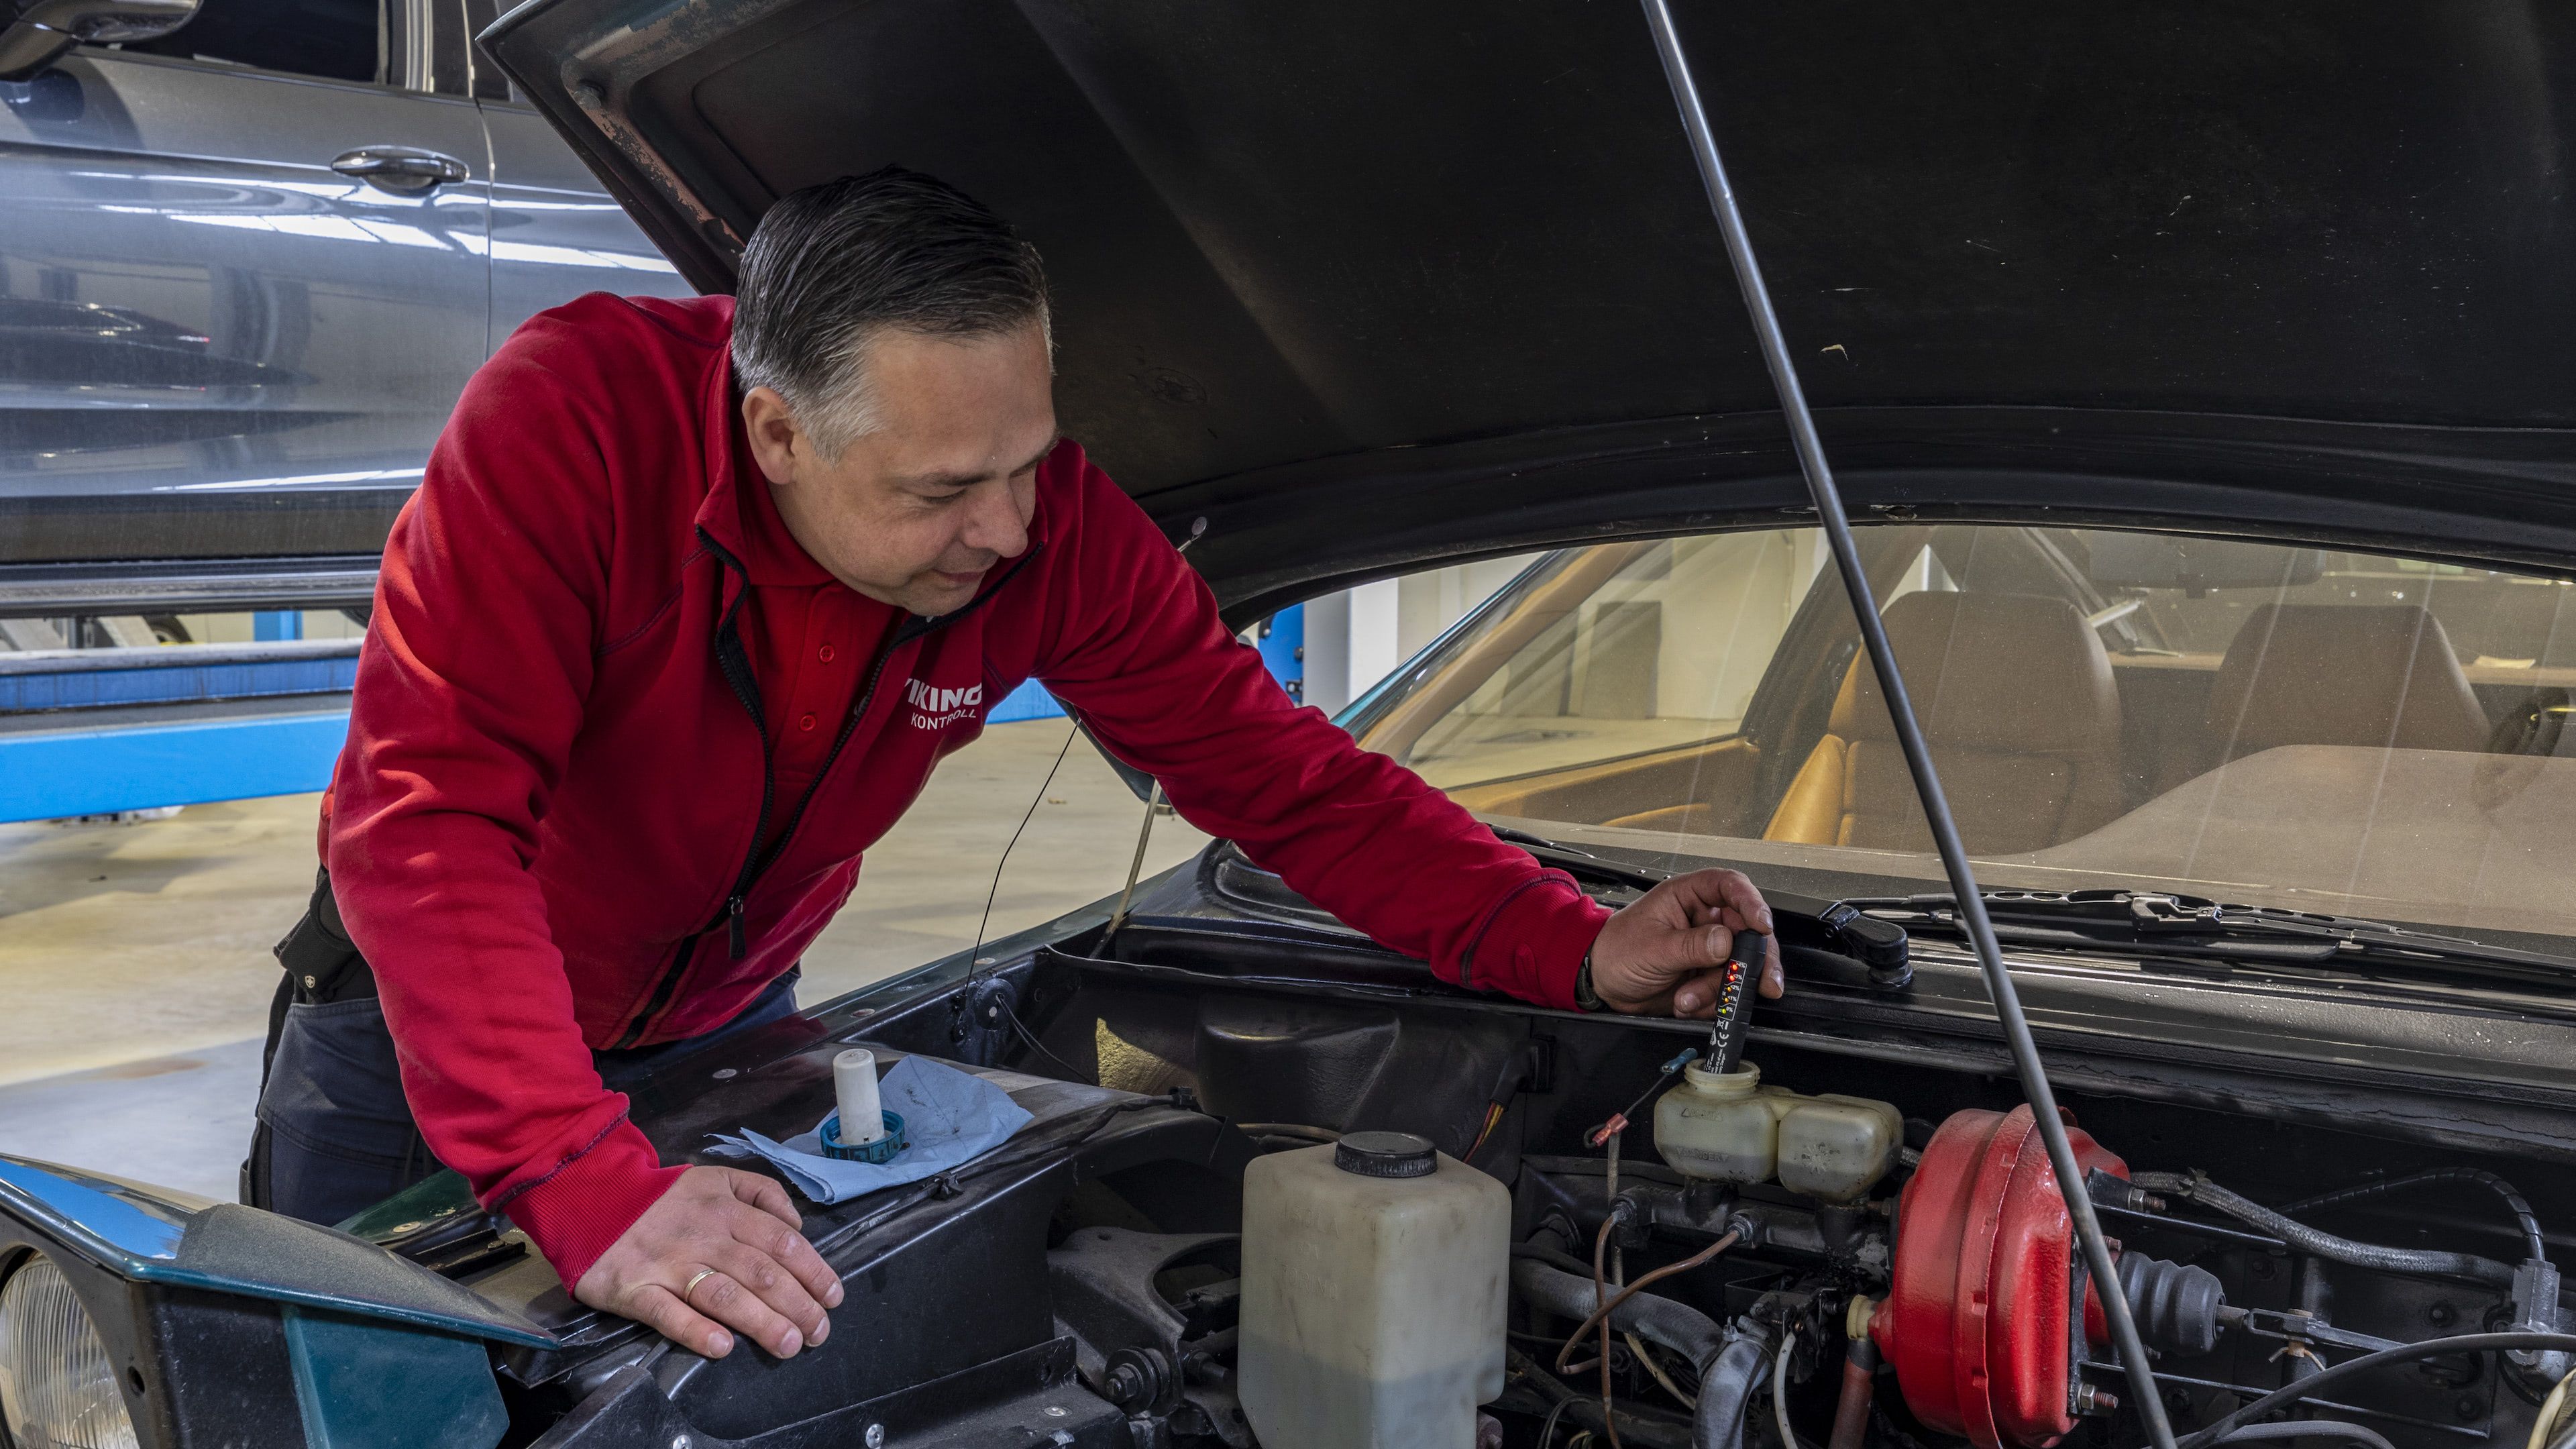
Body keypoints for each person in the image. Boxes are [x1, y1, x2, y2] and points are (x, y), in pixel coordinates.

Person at [245, 166, 1780, 1364]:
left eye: (1031, 460)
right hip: (423, 1045)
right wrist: (578, 1183)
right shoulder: (573, 426)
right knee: (342, 1397)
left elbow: (1279, 778)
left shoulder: (1048, 532)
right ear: (776, 436)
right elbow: (431, 821)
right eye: (943, 490)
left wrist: (1567, 943)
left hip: (724, 1035)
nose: (1010, 531)